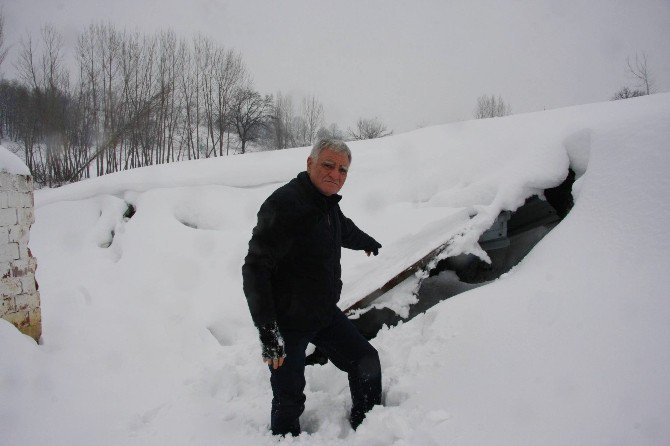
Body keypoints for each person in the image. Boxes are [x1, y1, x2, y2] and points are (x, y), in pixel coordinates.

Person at [242, 138, 383, 436]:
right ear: (310, 163)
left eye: (343, 170)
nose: (336, 175)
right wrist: (268, 329)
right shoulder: (283, 204)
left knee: (366, 360)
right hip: (288, 320)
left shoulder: (327, 204)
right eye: (328, 165)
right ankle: (284, 439)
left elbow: (342, 229)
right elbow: (255, 268)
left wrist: (366, 242)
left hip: (322, 312)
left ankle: (371, 429)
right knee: (289, 397)